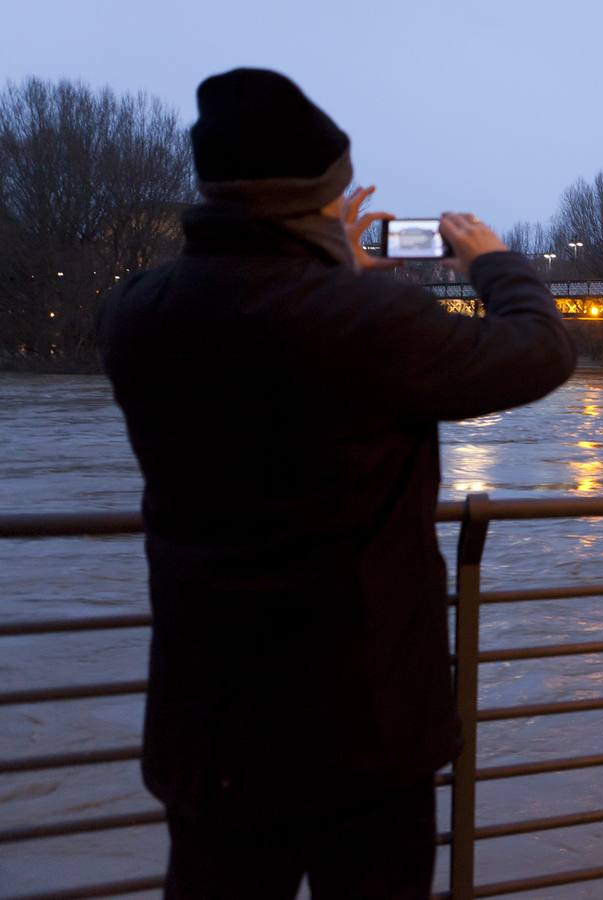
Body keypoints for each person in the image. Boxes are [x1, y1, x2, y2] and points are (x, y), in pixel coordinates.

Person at [97, 69, 575, 897]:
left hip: (211, 729)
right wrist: (496, 264)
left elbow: (247, 314)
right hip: (364, 724)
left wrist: (326, 269)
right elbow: (538, 352)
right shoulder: (366, 323)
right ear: (320, 199)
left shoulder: (137, 312)